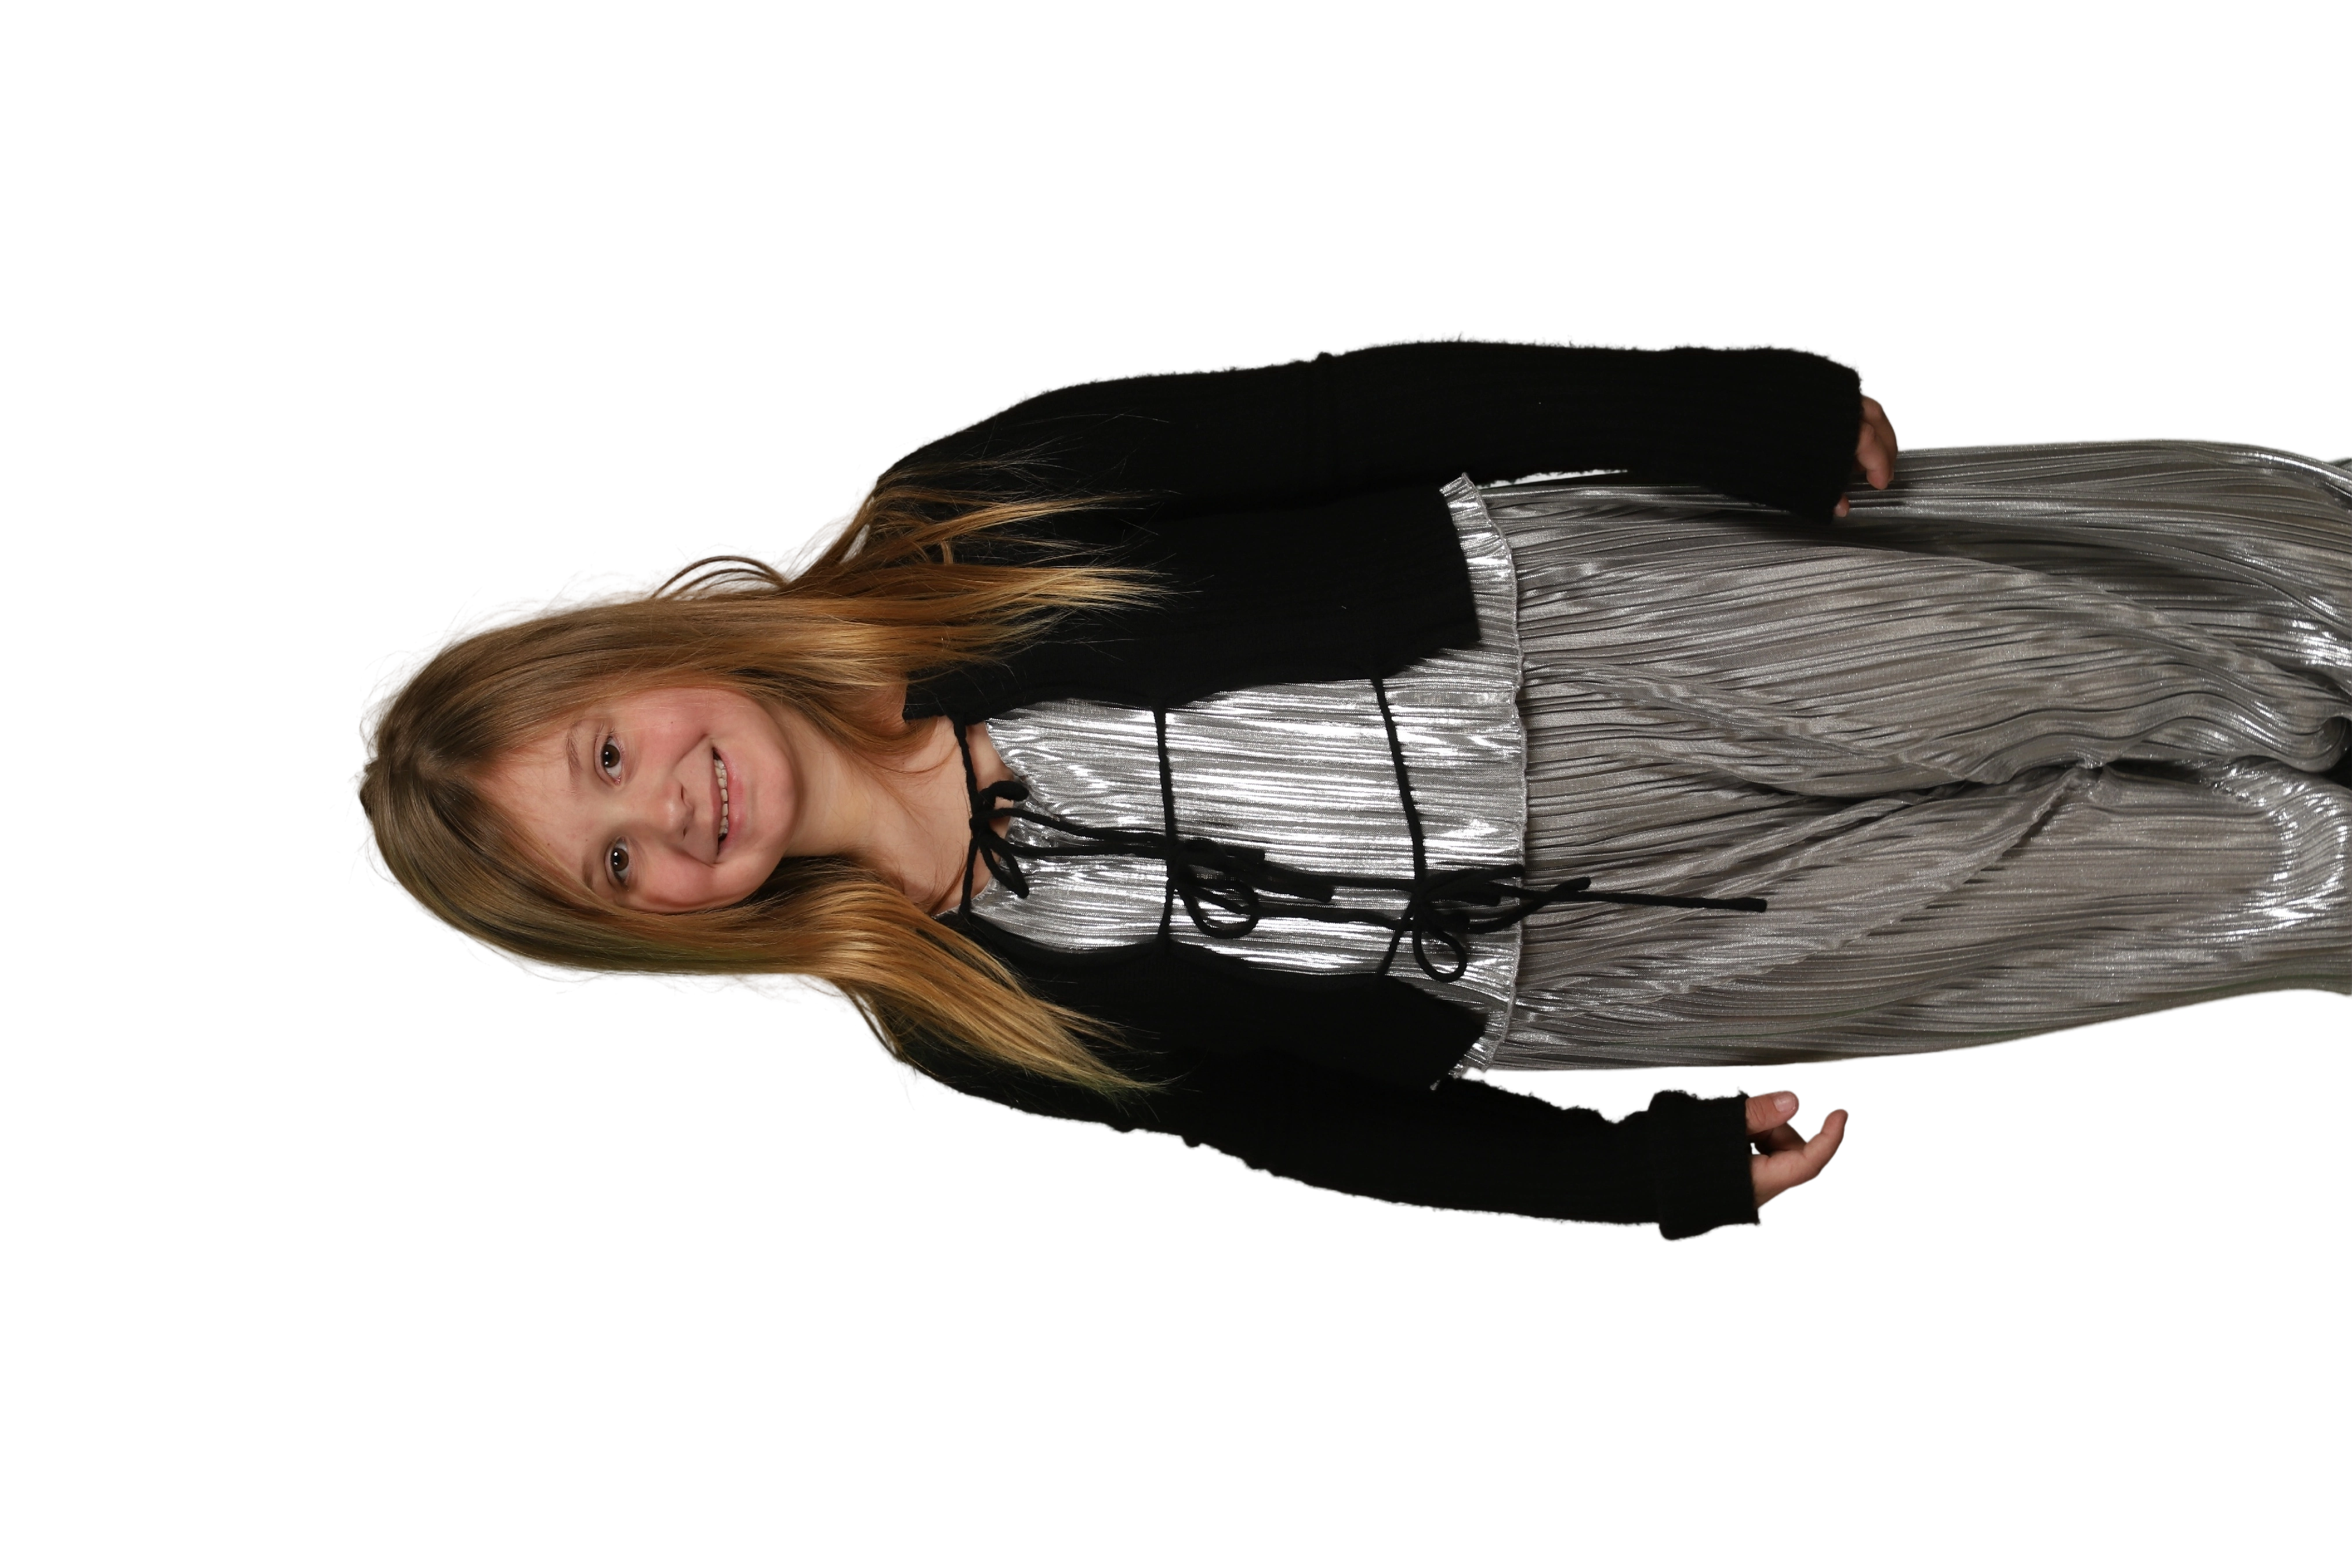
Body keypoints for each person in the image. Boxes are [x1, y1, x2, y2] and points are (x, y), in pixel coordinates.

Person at [342, 330, 2352, 1243]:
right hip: (1614, 965)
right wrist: (1638, 1176)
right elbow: (1314, 1131)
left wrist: (1725, 411)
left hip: (1620, 646)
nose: (670, 812)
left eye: (610, 755)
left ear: (638, 651)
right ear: (656, 933)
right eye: (617, 864)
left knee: (2166, 651)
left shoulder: (977, 510)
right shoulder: (972, 1021)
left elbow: (1358, 413)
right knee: (2174, 887)